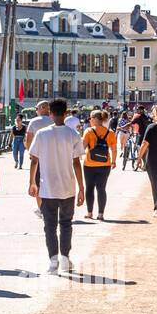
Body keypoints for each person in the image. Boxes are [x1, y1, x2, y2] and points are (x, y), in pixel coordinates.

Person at [27, 98, 85, 275]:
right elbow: (77, 163)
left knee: (49, 226)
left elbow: (33, 160)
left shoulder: (42, 134)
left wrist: (32, 183)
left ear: (50, 114)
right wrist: (81, 188)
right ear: (66, 113)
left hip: (47, 187)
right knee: (66, 224)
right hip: (67, 187)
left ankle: (53, 261)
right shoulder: (73, 135)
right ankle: (65, 259)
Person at [81, 108, 117, 220]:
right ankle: (101, 214)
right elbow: (114, 149)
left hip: (89, 164)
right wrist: (113, 161)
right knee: (101, 189)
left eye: (91, 118)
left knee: (89, 188)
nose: (89, 120)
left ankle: (89, 212)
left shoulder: (89, 131)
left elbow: (82, 147)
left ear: (96, 119)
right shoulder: (110, 133)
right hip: (105, 164)